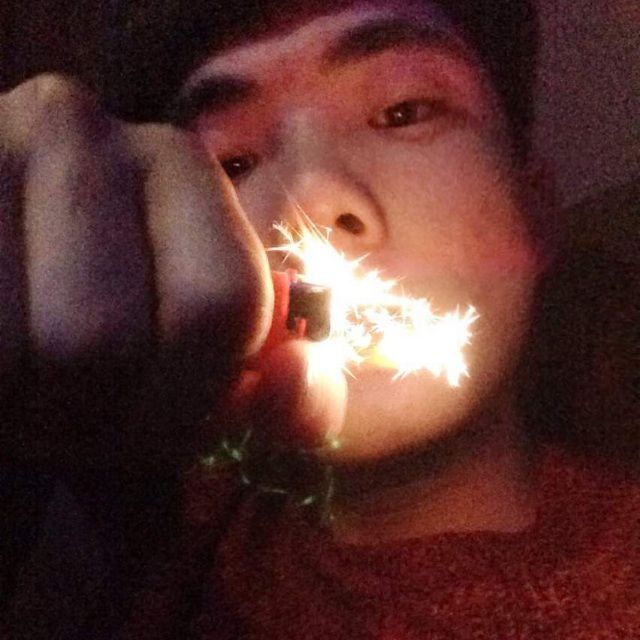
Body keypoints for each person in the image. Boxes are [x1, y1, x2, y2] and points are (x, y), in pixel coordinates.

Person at [0, 0, 638, 638]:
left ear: (534, 211)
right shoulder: (138, 531)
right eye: (234, 162)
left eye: (403, 112)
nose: (310, 199)